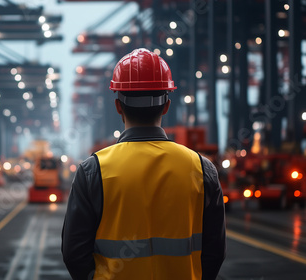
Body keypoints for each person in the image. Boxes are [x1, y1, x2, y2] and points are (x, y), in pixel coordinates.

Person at [61, 48, 226, 280]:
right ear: (166, 106)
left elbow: (74, 254)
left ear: (118, 106)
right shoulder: (202, 169)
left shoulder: (93, 171)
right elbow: (214, 253)